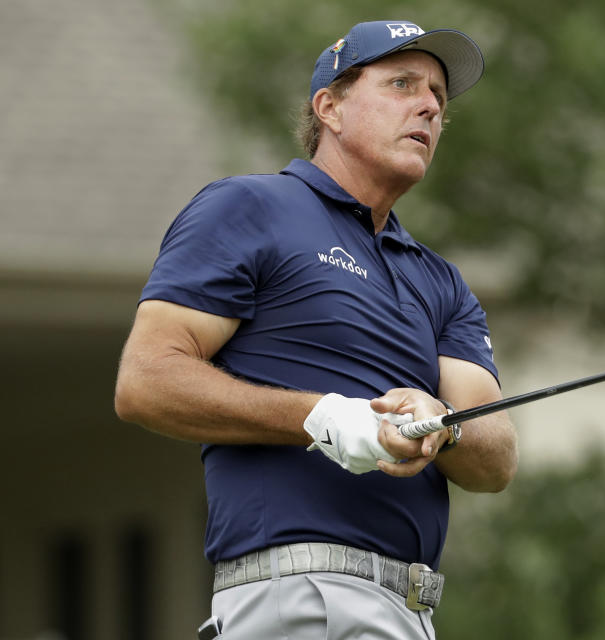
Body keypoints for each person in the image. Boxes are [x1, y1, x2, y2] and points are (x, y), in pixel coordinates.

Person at [114, 20, 518, 640]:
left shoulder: (441, 281)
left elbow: (495, 458)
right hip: (302, 595)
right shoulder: (250, 208)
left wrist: (442, 425)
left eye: (438, 95)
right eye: (402, 83)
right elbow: (146, 381)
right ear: (329, 106)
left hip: (409, 608)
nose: (430, 105)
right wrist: (325, 416)